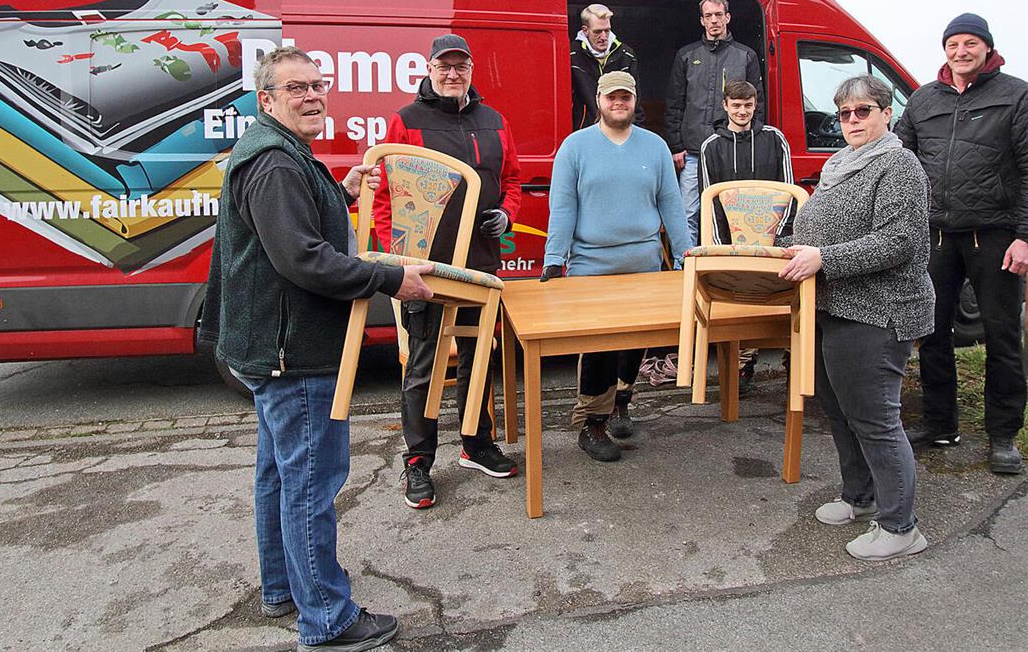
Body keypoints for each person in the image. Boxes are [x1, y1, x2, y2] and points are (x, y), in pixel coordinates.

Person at [199, 46, 435, 651]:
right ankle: (327, 620)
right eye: (296, 88)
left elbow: (298, 226)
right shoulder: (276, 162)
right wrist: (390, 278)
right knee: (309, 483)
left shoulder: (279, 154)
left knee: (280, 476)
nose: (312, 96)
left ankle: (283, 589)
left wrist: (343, 190)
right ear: (267, 99)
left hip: (270, 347)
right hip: (293, 351)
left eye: (318, 85)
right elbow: (303, 259)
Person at [779, 74, 934, 561]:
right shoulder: (838, 165)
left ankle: (900, 526)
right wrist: (773, 249)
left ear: (887, 114)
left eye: (862, 111)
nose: (851, 121)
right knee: (842, 413)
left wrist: (825, 259)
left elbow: (899, 241)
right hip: (832, 307)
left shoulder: (899, 165)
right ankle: (859, 497)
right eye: (844, 113)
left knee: (876, 420)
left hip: (878, 312)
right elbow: (812, 228)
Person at [374, 33, 523, 509]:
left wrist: (508, 215)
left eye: (461, 66)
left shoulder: (494, 121)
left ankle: (476, 444)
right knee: (422, 364)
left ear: (471, 71)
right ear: (430, 69)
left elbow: (512, 180)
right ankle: (417, 462)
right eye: (445, 66)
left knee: (481, 356)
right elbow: (384, 197)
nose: (452, 73)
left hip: (479, 262)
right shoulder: (407, 120)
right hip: (425, 267)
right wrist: (398, 257)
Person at [895, 13, 1027, 475]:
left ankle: (1003, 434)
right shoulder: (922, 99)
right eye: (953, 43)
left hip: (994, 235)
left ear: (988, 48)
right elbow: (899, 160)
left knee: (1002, 335)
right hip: (934, 235)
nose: (961, 51)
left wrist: (1024, 238)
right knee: (930, 333)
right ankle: (939, 424)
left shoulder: (1015, 94)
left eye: (971, 43)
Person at [541, 71, 692, 461]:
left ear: (635, 100)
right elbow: (562, 208)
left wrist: (685, 255)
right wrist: (554, 261)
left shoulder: (655, 147)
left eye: (625, 96)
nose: (618, 103)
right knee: (598, 347)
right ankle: (591, 423)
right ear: (599, 100)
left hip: (642, 264)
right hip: (591, 266)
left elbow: (671, 205)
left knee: (633, 343)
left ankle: (622, 400)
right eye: (611, 97)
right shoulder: (575, 147)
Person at [698, 79, 795, 394]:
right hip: (731, 244)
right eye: (736, 105)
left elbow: (790, 189)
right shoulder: (710, 146)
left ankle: (793, 363)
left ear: (756, 105)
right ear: (725, 105)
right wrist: (717, 246)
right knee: (739, 303)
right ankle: (741, 366)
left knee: (781, 301)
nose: (742, 111)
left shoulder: (775, 139)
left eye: (748, 105)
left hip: (775, 242)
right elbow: (708, 199)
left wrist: (781, 237)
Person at [665, 0, 763, 248]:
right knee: (688, 213)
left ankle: (724, 268)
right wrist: (676, 146)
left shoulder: (746, 56)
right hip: (693, 151)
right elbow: (675, 102)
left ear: (727, 17)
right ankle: (684, 269)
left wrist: (750, 142)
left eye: (718, 15)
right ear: (702, 20)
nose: (714, 20)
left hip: (731, 149)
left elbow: (758, 104)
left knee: (731, 213)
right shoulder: (687, 55)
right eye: (708, 16)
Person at [570, 3, 643, 130]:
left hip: (620, 130)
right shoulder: (570, 55)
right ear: (585, 30)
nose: (603, 37)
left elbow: (636, 100)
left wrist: (636, 130)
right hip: (584, 131)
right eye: (597, 32)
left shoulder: (626, 55)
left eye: (607, 30)